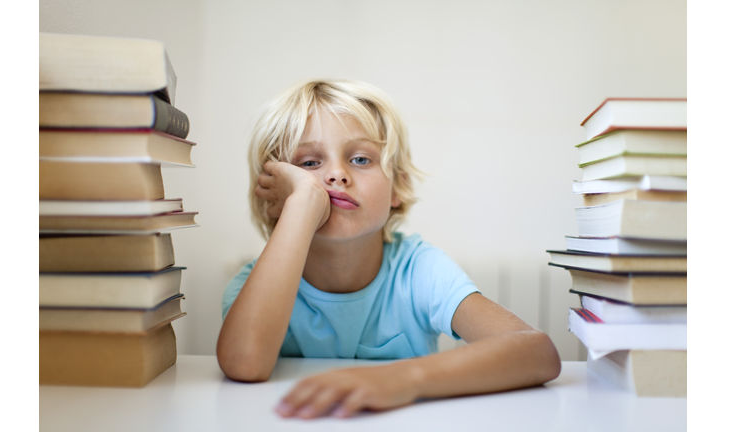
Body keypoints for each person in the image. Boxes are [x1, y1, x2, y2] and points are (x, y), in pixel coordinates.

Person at [217, 79, 561, 419]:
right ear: (274, 196)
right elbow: (245, 363)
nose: (336, 174)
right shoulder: (256, 283)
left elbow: (537, 352)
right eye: (308, 165)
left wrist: (400, 378)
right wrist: (303, 201)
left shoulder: (417, 270)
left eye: (361, 159)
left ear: (398, 186)